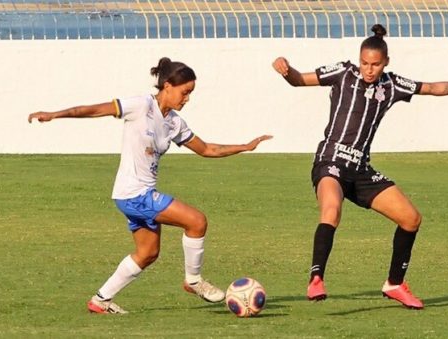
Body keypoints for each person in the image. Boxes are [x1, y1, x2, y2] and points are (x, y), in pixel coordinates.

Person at [272, 24, 448, 309]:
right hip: (330, 161)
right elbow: (299, 79)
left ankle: (394, 284)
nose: (368, 69)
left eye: (375, 64)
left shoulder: (392, 84)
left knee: (411, 219)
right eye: (364, 63)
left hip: (361, 169)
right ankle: (316, 278)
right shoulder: (342, 73)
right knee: (332, 211)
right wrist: (288, 71)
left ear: (386, 63)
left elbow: (434, 88)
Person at [28, 57, 272, 314]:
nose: (187, 98)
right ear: (167, 85)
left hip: (136, 196)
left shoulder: (174, 122)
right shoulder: (140, 105)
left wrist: (244, 146)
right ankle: (193, 280)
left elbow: (207, 149)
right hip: (135, 194)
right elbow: (94, 110)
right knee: (197, 221)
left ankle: (100, 300)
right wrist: (55, 114)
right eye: (184, 92)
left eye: (190, 94)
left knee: (147, 253)